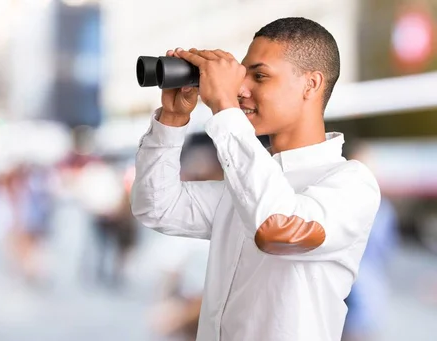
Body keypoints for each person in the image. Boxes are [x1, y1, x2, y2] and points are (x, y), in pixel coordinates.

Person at [130, 17, 381, 341]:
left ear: (311, 84)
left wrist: (224, 107)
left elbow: (275, 227)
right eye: (242, 76)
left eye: (260, 76)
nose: (242, 90)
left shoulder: (352, 183)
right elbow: (155, 206)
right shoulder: (245, 183)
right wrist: (173, 119)